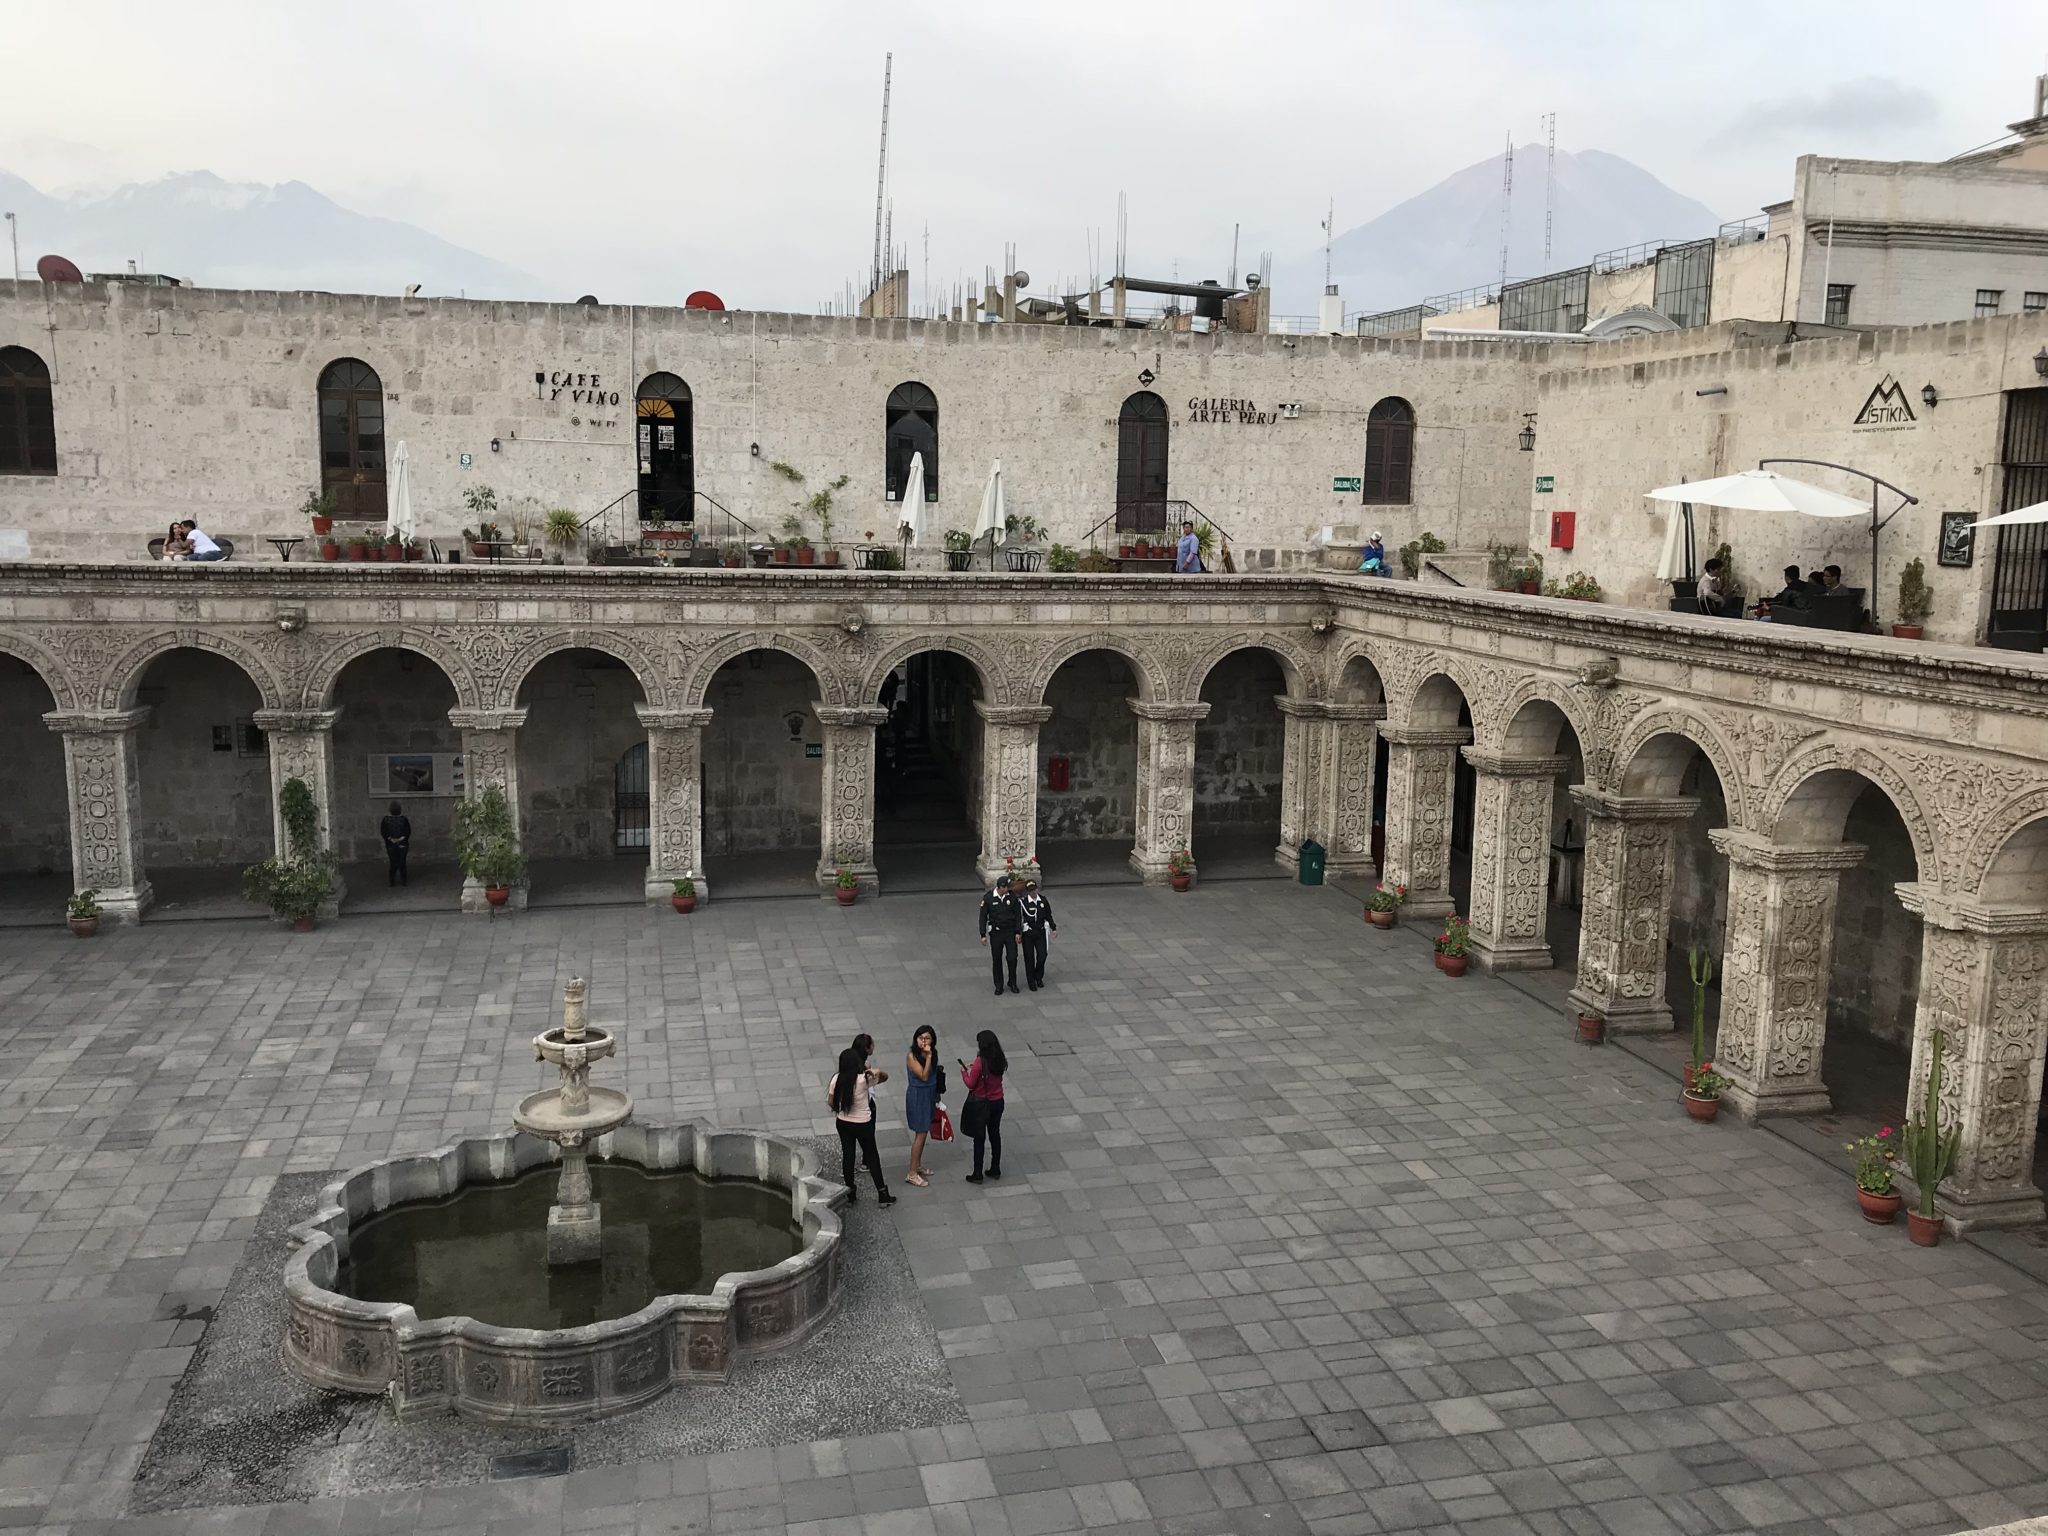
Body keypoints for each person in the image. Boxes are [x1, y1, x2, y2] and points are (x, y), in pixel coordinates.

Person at [827, 1037, 894, 1206]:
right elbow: (885, 1078)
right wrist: (876, 1072)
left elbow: (830, 1101)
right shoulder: (863, 1080)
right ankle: (882, 1194)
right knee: (872, 1156)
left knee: (848, 1156)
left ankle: (850, 1193)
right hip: (863, 1124)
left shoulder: (836, 1079)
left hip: (843, 1122)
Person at [960, 1029, 1007, 1184]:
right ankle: (995, 1168)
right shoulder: (999, 1058)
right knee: (995, 1134)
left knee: (979, 1138)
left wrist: (964, 1073)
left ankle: (977, 1173)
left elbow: (970, 1084)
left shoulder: (981, 1062)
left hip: (982, 1104)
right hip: (998, 1102)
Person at [903, 1026, 940, 1187]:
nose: (924, 1041)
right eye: (921, 1038)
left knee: (924, 1132)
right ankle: (911, 1173)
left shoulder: (932, 1053)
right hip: (918, 1095)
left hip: (929, 1094)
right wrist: (929, 1057)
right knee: (921, 1133)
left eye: (927, 1038)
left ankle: (917, 1165)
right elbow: (924, 1076)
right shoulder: (912, 1056)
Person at [978, 873, 1022, 995]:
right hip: (996, 933)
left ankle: (1012, 982)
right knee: (997, 960)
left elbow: (1018, 915)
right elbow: (983, 917)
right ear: (1001, 887)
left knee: (1012, 958)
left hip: (1010, 932)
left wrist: (1018, 931)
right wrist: (983, 934)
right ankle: (998, 985)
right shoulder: (989, 898)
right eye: (1007, 887)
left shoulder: (1012, 898)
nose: (1009, 889)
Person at [1016, 878, 1056, 991]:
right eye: (1030, 891)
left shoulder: (1043, 900)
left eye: (1034, 890)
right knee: (1029, 958)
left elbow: (1048, 914)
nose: (1033, 892)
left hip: (1040, 931)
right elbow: (1019, 919)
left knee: (1042, 956)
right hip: (1028, 933)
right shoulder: (1023, 903)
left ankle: (1038, 976)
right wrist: (1018, 932)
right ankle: (1031, 980)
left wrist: (1053, 927)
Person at [379, 801, 412, 887]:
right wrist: (401, 839)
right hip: (402, 844)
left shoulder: (385, 820)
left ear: (390, 810)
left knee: (393, 862)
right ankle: (404, 881)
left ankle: (392, 881)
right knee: (402, 862)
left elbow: (383, 832)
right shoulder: (404, 819)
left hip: (391, 844)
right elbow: (408, 831)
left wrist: (391, 839)